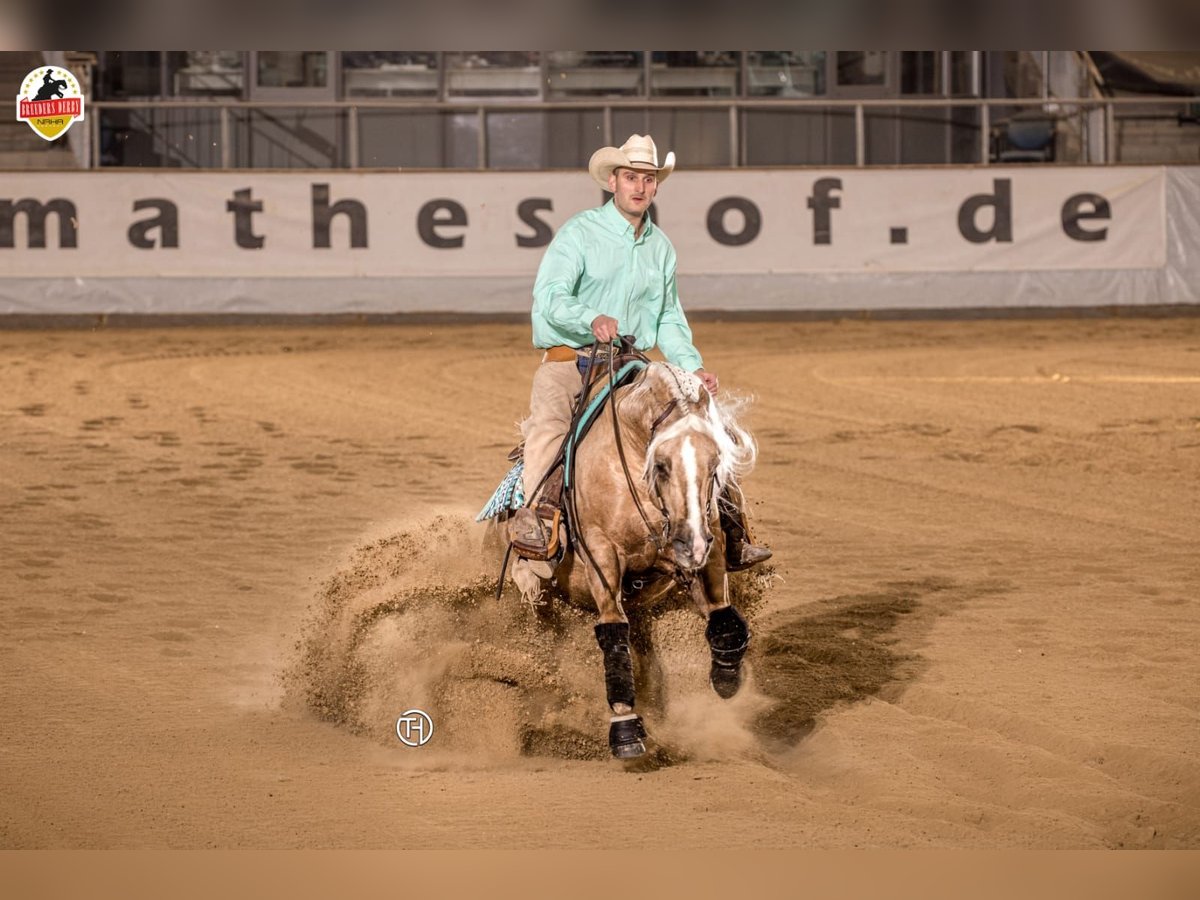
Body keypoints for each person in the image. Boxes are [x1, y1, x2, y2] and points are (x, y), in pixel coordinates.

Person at [509, 134, 771, 579]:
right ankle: (538, 529)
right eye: (631, 177)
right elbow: (549, 297)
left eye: (648, 179)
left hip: (633, 366)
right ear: (613, 181)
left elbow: (669, 316)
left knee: (706, 430)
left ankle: (731, 531)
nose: (639, 187)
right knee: (550, 433)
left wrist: (691, 368)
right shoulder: (580, 233)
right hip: (570, 361)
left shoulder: (660, 246)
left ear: (656, 187)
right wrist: (590, 318)